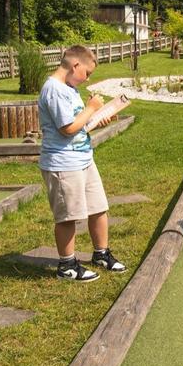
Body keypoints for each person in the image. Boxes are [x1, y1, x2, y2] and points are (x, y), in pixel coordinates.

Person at [38, 45, 127, 281]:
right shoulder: (54, 89)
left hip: (83, 159)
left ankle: (101, 253)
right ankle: (66, 265)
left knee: (98, 207)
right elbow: (67, 129)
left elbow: (80, 125)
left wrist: (99, 117)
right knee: (68, 215)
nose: (87, 78)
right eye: (87, 73)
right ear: (75, 65)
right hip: (63, 163)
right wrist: (91, 108)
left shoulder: (69, 88)